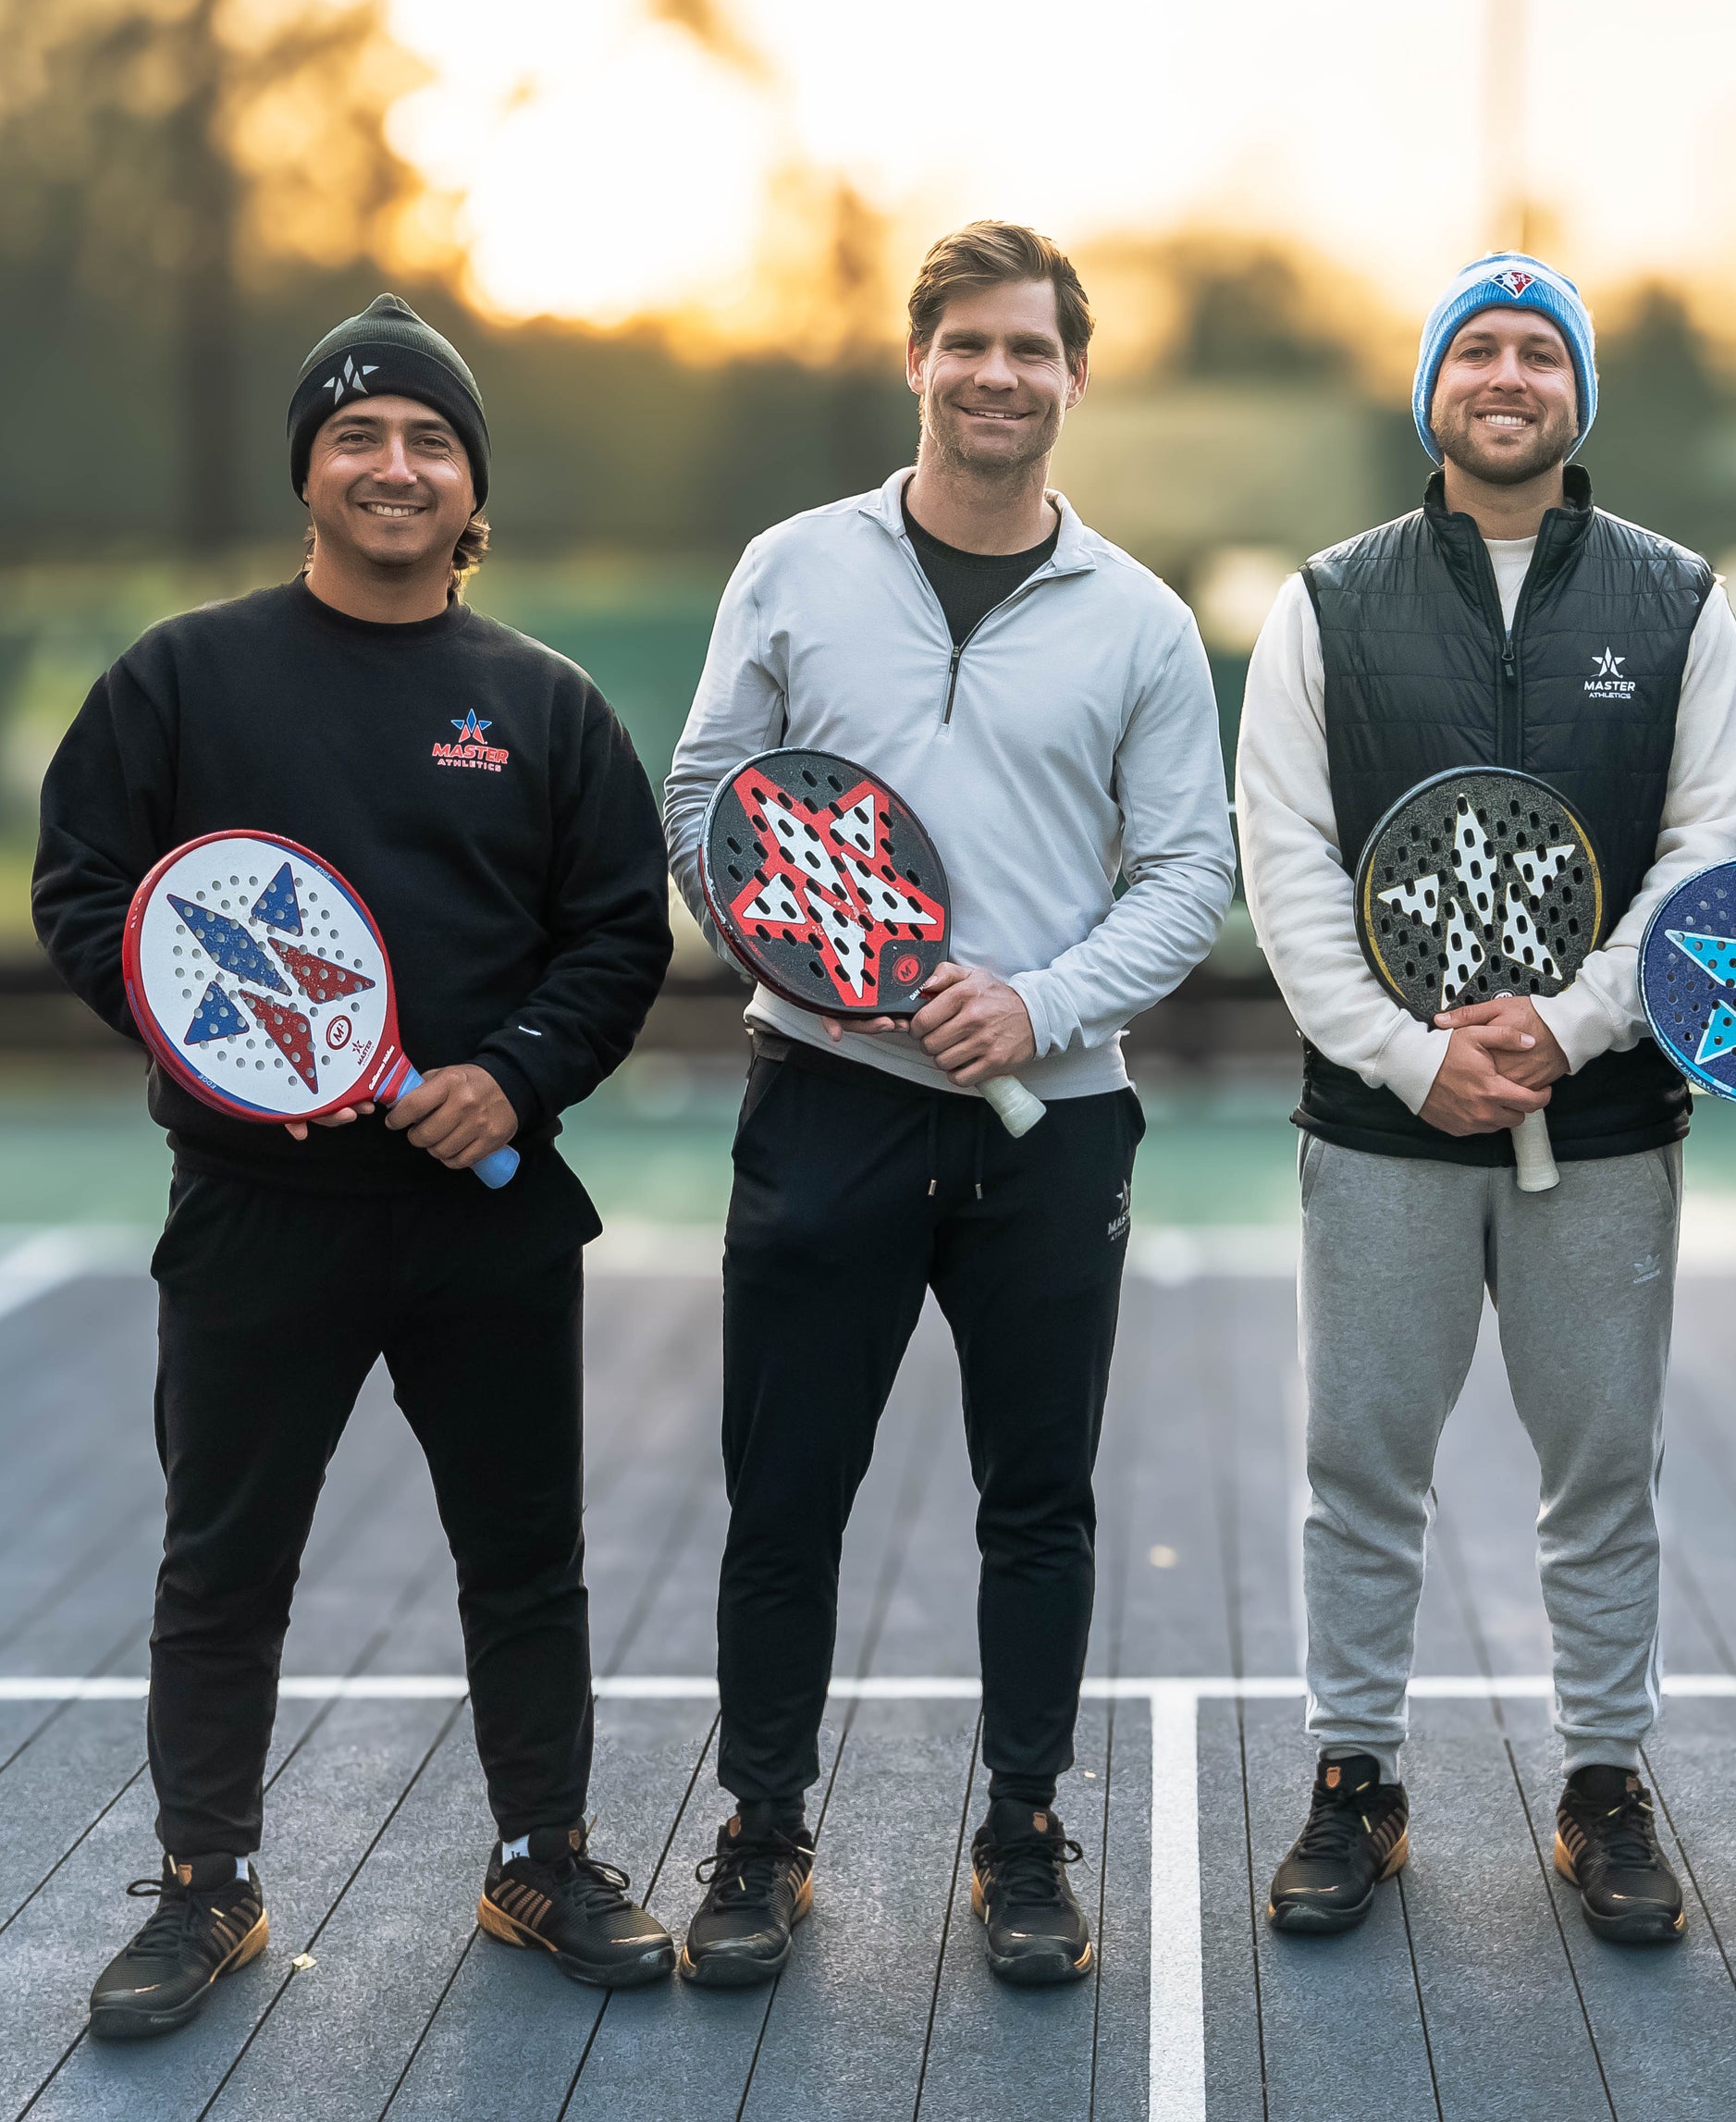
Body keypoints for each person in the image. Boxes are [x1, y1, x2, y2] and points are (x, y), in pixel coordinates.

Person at [32, 294, 679, 2038]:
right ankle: (205, 1886)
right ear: (308, 474)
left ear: (474, 490)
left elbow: (620, 934)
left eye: (431, 441)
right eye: (358, 435)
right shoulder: (180, 678)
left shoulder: (543, 704)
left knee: (525, 1558)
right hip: (255, 1215)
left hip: (486, 1221)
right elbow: (91, 893)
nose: (395, 466)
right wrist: (227, 1050)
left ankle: (541, 1852)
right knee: (222, 1561)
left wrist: (515, 1081)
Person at [659, 222, 1235, 1989]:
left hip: (1053, 1130)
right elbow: (705, 793)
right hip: (823, 1098)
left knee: (1038, 1496)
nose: (1000, 375)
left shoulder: (1137, 619)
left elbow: (1189, 872)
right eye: (968, 344)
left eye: (1033, 349)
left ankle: (1024, 1831)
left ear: (1075, 375)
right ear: (917, 362)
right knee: (787, 1492)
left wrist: (1035, 1002)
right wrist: (809, 950)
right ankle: (763, 1829)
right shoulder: (791, 568)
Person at [1235, 253, 1736, 1944]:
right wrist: (1418, 1054)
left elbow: (1710, 848)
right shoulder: (1329, 601)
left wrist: (1570, 1026)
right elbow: (1288, 865)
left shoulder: (1681, 601)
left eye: (1542, 352)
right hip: (1380, 1128)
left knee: (1603, 1470)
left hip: (1603, 1128)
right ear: (1434, 392)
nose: (1510, 375)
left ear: (1578, 394)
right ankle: (1356, 1782)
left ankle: (1604, 1783)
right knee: (1360, 1467)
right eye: (1480, 349)